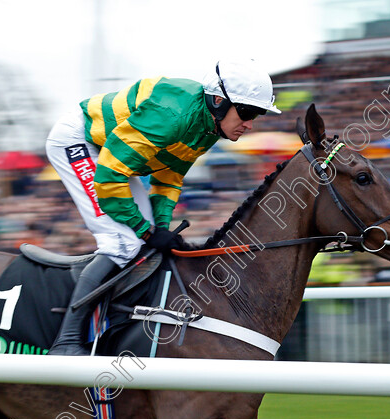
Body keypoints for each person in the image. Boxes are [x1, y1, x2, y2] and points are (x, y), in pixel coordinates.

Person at [45, 58, 281, 355]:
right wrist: (145, 230)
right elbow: (108, 177)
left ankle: (114, 325)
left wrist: (160, 228)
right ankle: (65, 341)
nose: (249, 124)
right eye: (246, 112)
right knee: (123, 243)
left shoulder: (208, 126)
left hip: (112, 156)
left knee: (147, 245)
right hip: (81, 141)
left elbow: (168, 178)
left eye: (256, 115)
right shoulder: (172, 115)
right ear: (219, 100)